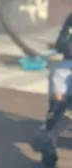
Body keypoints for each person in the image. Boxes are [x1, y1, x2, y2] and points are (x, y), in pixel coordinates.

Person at [32, 13, 72, 167]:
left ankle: (49, 136)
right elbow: (60, 43)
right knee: (58, 77)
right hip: (68, 64)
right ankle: (48, 153)